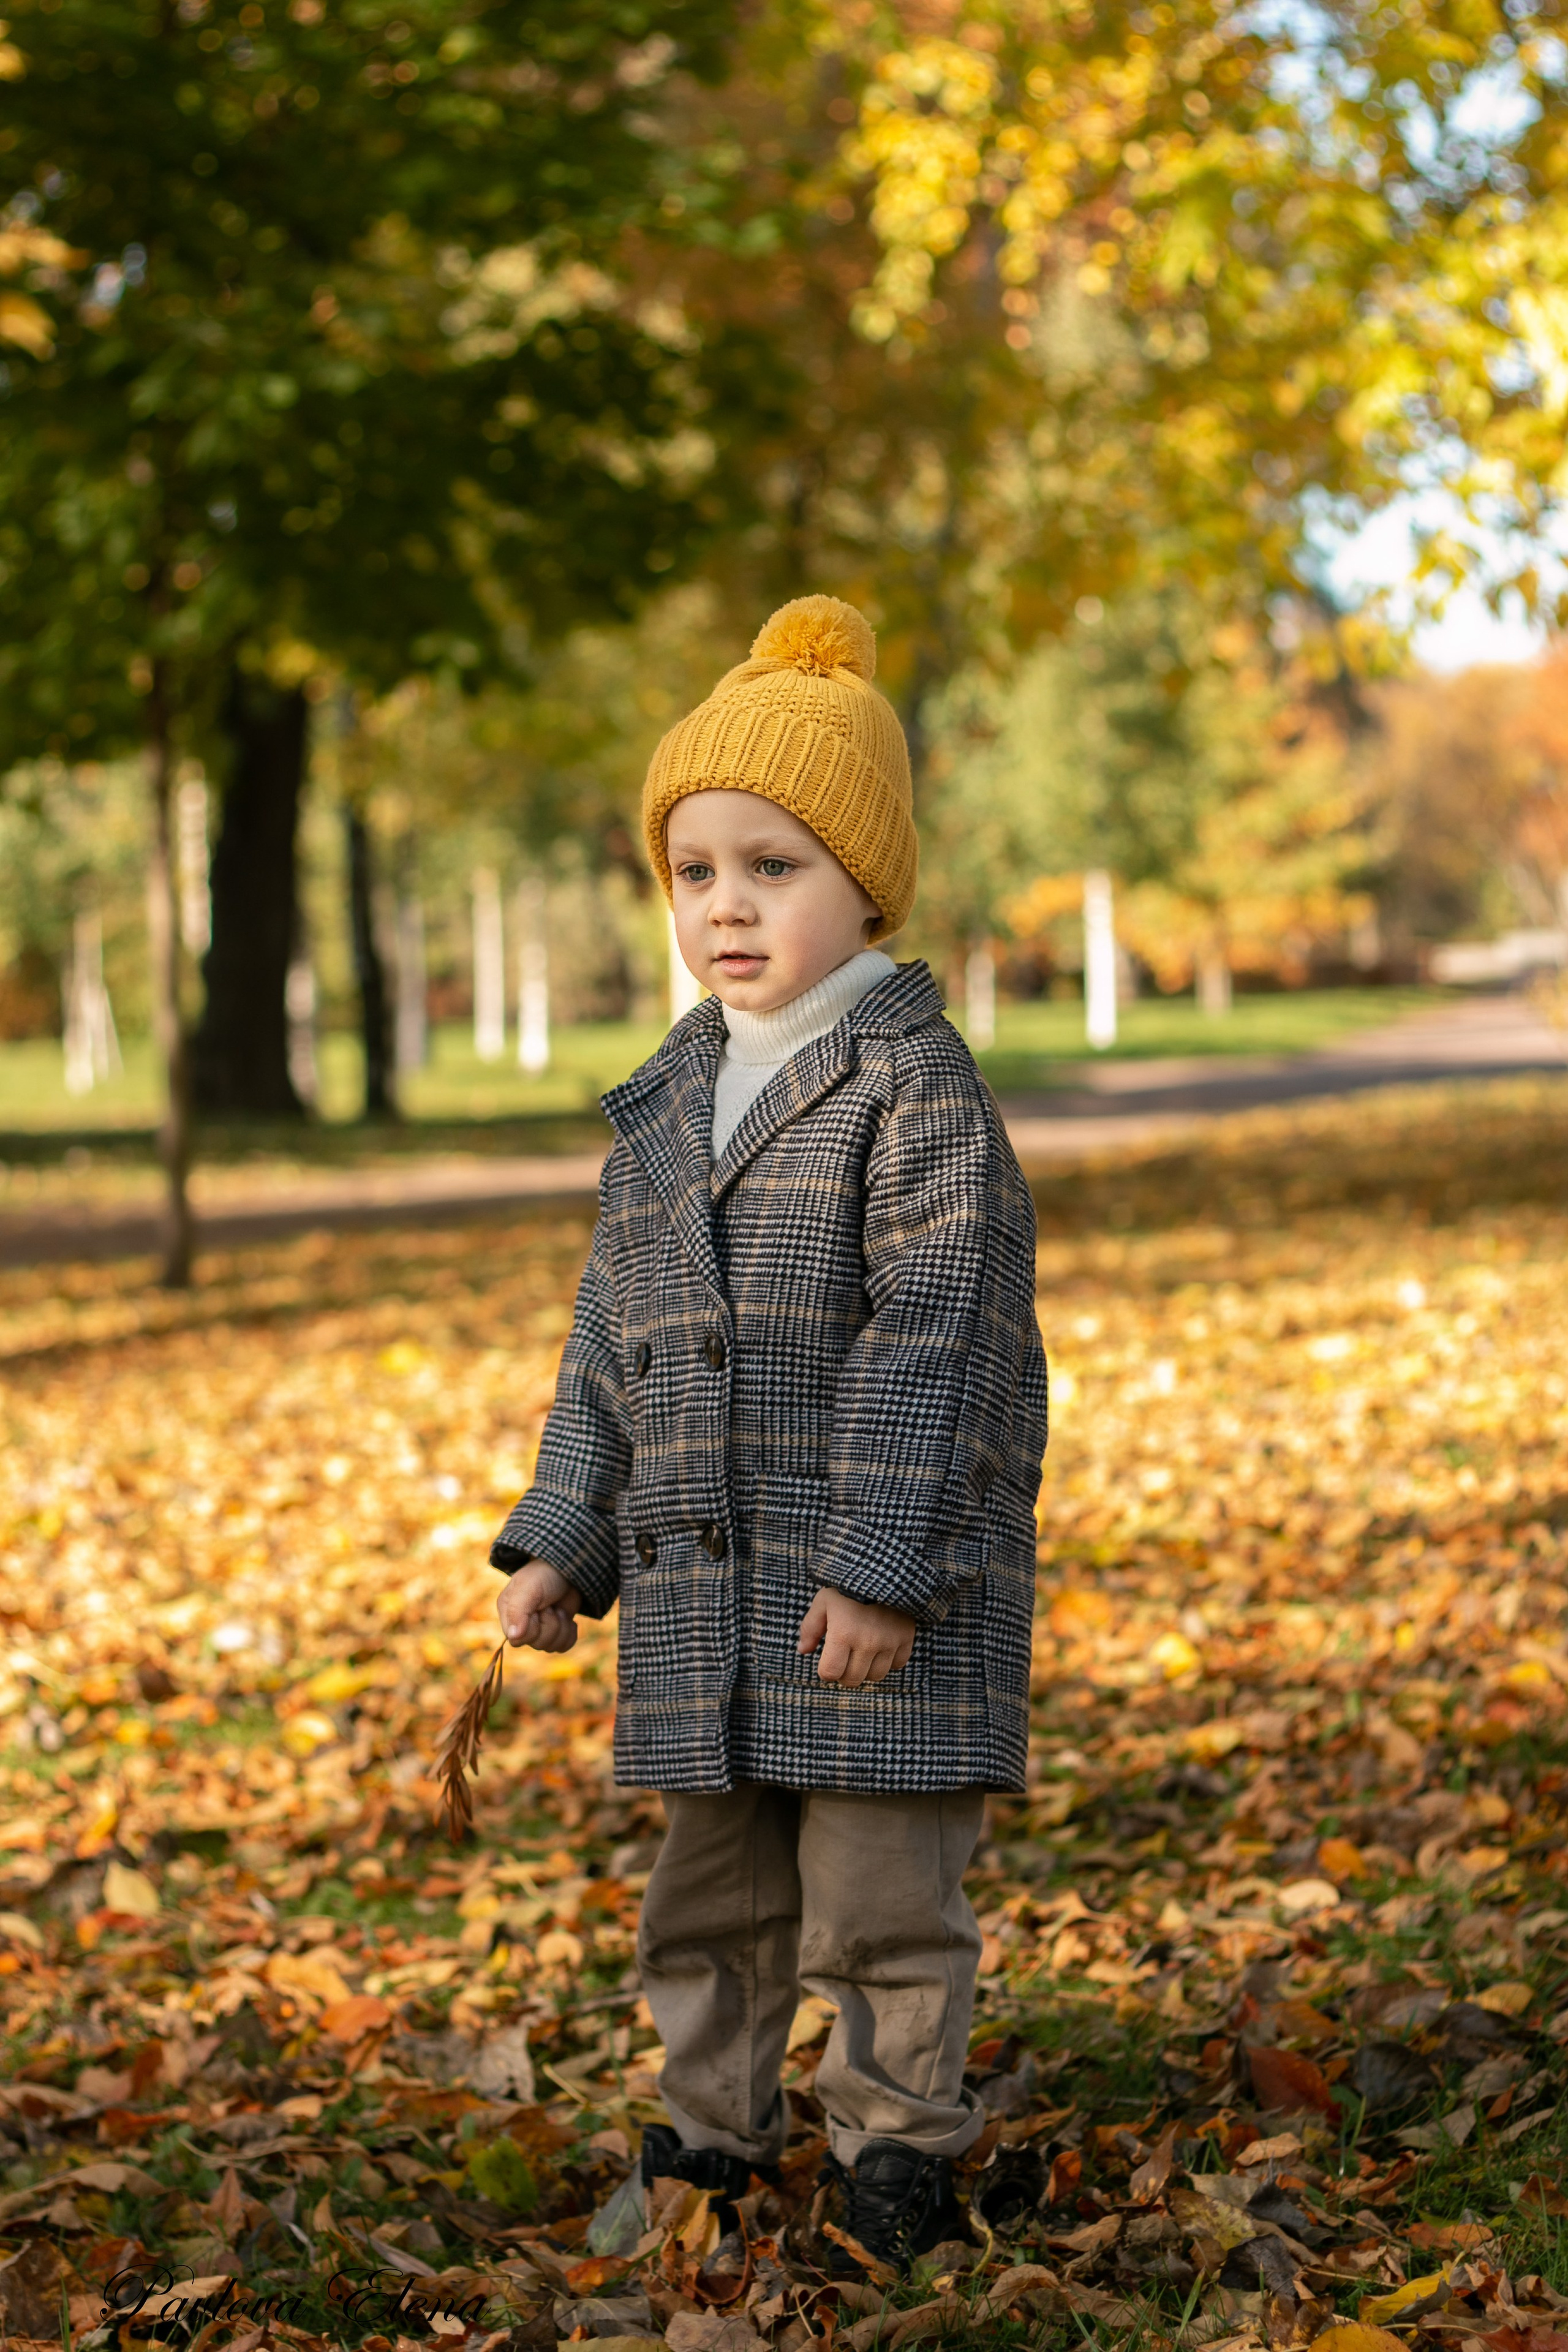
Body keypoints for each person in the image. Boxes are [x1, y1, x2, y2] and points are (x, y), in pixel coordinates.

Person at [491, 594, 1049, 2269]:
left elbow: (944, 1341)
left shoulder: (912, 1090)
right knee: (709, 1902)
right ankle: (710, 2140)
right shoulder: (669, 1104)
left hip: (874, 1599)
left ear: (866, 883)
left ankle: (896, 2148)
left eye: (773, 867)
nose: (726, 905)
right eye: (694, 871)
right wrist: (562, 1538)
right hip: (700, 1598)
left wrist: (883, 1565)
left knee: (882, 1899)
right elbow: (613, 1350)